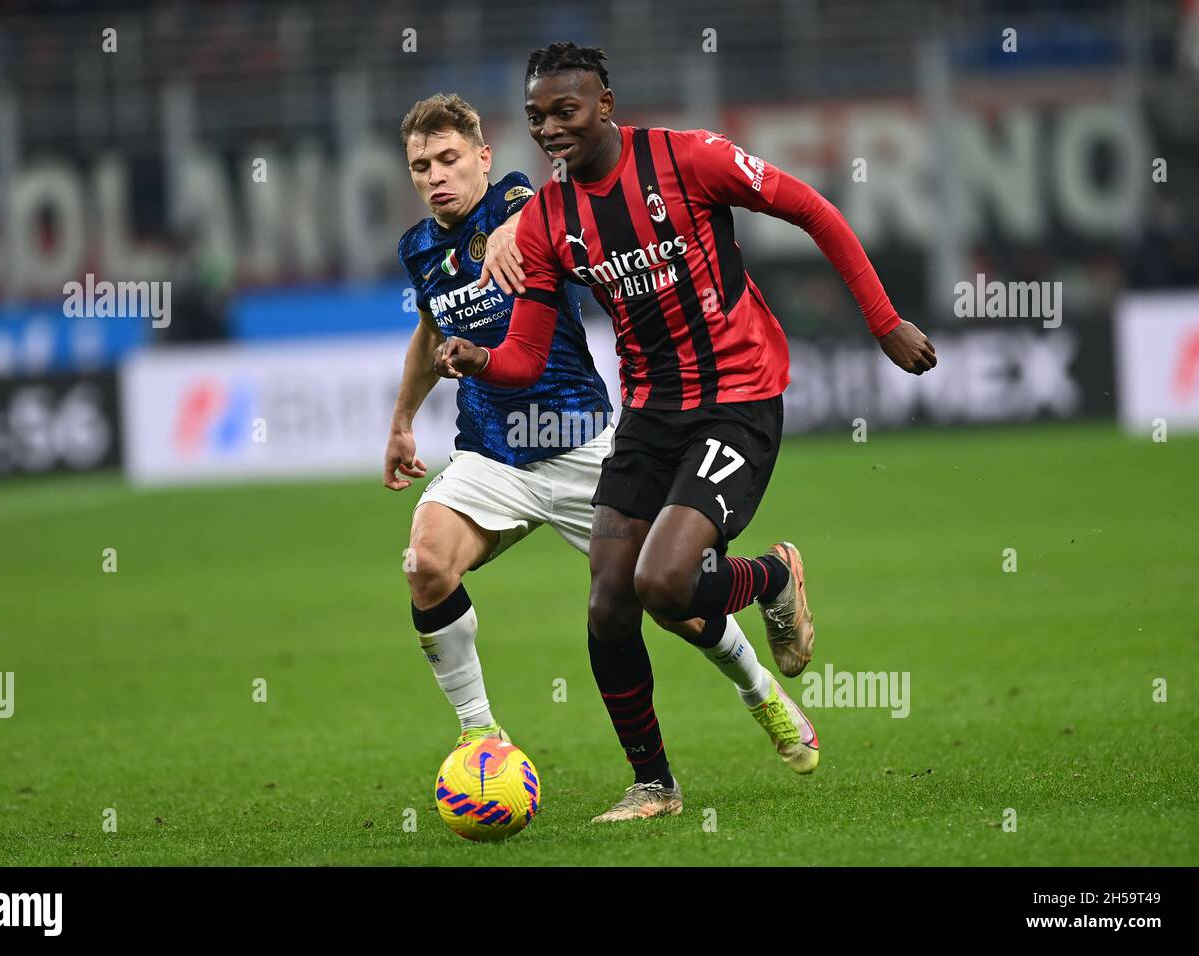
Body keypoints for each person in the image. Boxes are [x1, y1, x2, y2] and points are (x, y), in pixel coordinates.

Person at [436, 43, 937, 820]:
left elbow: (811, 208)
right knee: (609, 602)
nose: (550, 129)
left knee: (665, 583)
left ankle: (771, 578)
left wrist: (883, 320)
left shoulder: (690, 158)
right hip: (649, 414)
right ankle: (655, 786)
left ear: (605, 103)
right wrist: (480, 359)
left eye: (565, 111)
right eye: (536, 116)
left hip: (739, 397)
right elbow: (528, 354)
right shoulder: (546, 221)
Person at [389, 94, 788, 816]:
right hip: (492, 456)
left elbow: (540, 202)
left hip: (581, 445)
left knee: (672, 603)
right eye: (421, 165)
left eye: (449, 159)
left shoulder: (520, 200)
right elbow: (428, 329)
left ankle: (759, 687)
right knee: (425, 563)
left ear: (482, 157)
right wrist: (401, 422)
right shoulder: (419, 247)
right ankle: (482, 738)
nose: (435, 176)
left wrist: (518, 224)